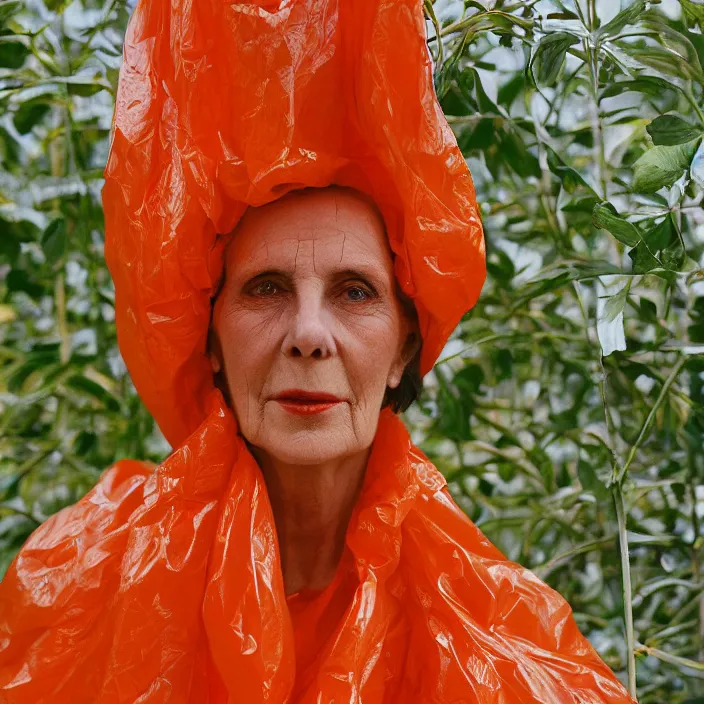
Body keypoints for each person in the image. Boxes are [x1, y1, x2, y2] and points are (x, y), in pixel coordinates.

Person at [0, 0, 635, 702]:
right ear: (207, 339)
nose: (308, 334)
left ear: (404, 347)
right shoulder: (83, 585)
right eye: (266, 288)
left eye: (355, 292)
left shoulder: (492, 636)